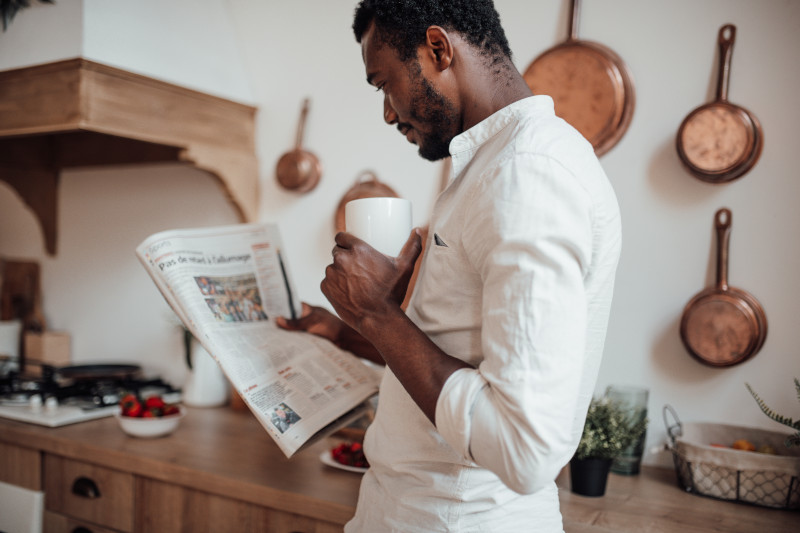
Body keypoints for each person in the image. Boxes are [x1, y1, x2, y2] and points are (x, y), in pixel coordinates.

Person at [277, 1, 622, 531]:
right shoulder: (492, 165)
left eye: (383, 83)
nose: (389, 113)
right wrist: (344, 333)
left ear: (438, 49)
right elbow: (453, 350)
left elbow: (523, 448)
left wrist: (376, 315)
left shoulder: (526, 173)